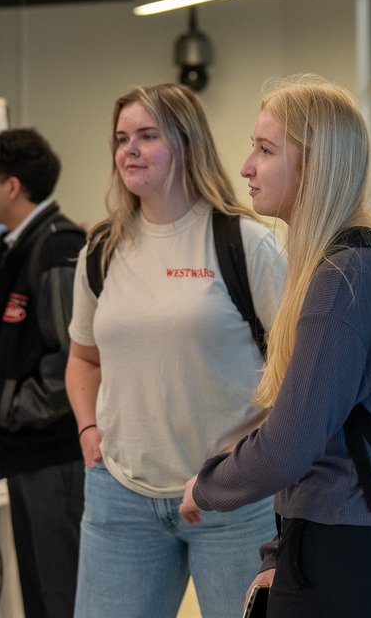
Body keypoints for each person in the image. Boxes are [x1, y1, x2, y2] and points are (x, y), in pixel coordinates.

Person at [180, 78, 371, 617]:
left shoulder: (343, 279)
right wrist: (281, 549)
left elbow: (287, 446)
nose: (246, 167)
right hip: (367, 548)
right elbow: (334, 432)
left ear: (316, 164)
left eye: (266, 149)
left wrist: (206, 486)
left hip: (350, 554)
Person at [65, 83, 285, 618]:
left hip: (232, 496)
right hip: (121, 496)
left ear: (186, 143)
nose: (129, 151)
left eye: (146, 135)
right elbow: (83, 358)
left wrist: (259, 468)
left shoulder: (244, 242)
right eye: (121, 139)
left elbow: (293, 373)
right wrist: (88, 431)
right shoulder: (101, 249)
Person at [0, 128, 85, 618]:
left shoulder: (55, 247)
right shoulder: (21, 246)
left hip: (51, 454)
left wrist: (12, 409)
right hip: (30, 452)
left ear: (12, 186)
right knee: (40, 598)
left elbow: (72, 357)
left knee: (60, 599)